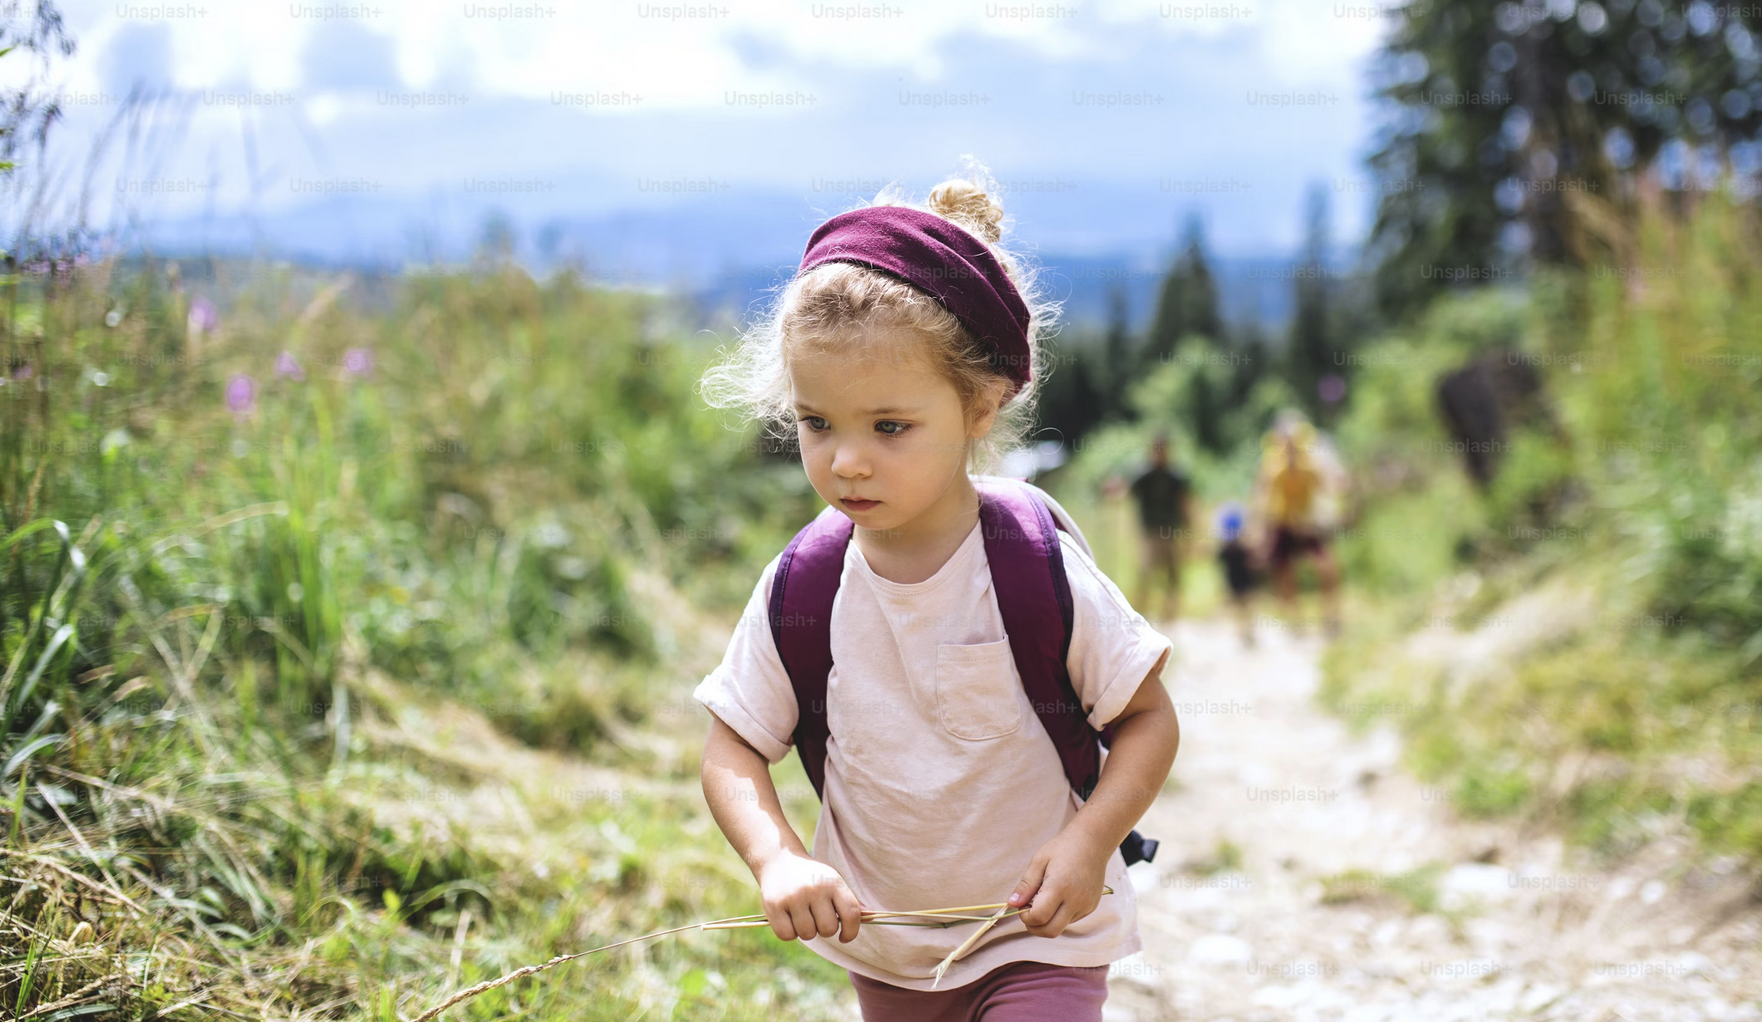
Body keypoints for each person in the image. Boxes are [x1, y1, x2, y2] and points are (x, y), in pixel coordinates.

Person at [693, 171, 1180, 1021]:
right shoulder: (802, 588)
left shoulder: (1033, 568)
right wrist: (777, 860)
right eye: (818, 424)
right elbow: (732, 750)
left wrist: (1088, 839)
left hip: (1042, 934)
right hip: (889, 947)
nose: (846, 461)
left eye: (889, 428)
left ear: (982, 403)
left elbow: (1146, 720)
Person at [1249, 409, 1345, 637]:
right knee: (1284, 574)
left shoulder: (1310, 465)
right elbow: (1262, 498)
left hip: (1307, 524)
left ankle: (1330, 618)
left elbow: (1329, 487)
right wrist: (1259, 533)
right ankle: (1295, 621)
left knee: (1327, 568)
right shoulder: (1272, 467)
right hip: (1282, 524)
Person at [1128, 435, 1196, 625]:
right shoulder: (1143, 475)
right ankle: (1138, 616)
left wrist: (1190, 533)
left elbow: (1185, 504)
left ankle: (1169, 616)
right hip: (1149, 533)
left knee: (1173, 575)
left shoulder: (1175, 477)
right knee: (1145, 574)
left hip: (1170, 533)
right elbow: (1127, 492)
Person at [1215, 501, 1259, 648]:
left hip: (1243, 580)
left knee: (1246, 604)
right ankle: (1243, 631)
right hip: (1235, 580)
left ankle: (1247, 631)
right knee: (1240, 605)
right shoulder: (1228, 550)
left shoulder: (1240, 549)